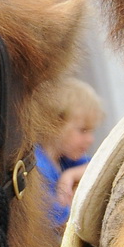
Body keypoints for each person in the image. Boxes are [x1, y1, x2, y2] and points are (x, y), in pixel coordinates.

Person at [32, 77, 102, 227]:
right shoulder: (38, 167)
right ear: (54, 125)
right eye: (83, 130)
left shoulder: (66, 159)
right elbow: (59, 224)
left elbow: (102, 167)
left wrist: (70, 175)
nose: (90, 139)